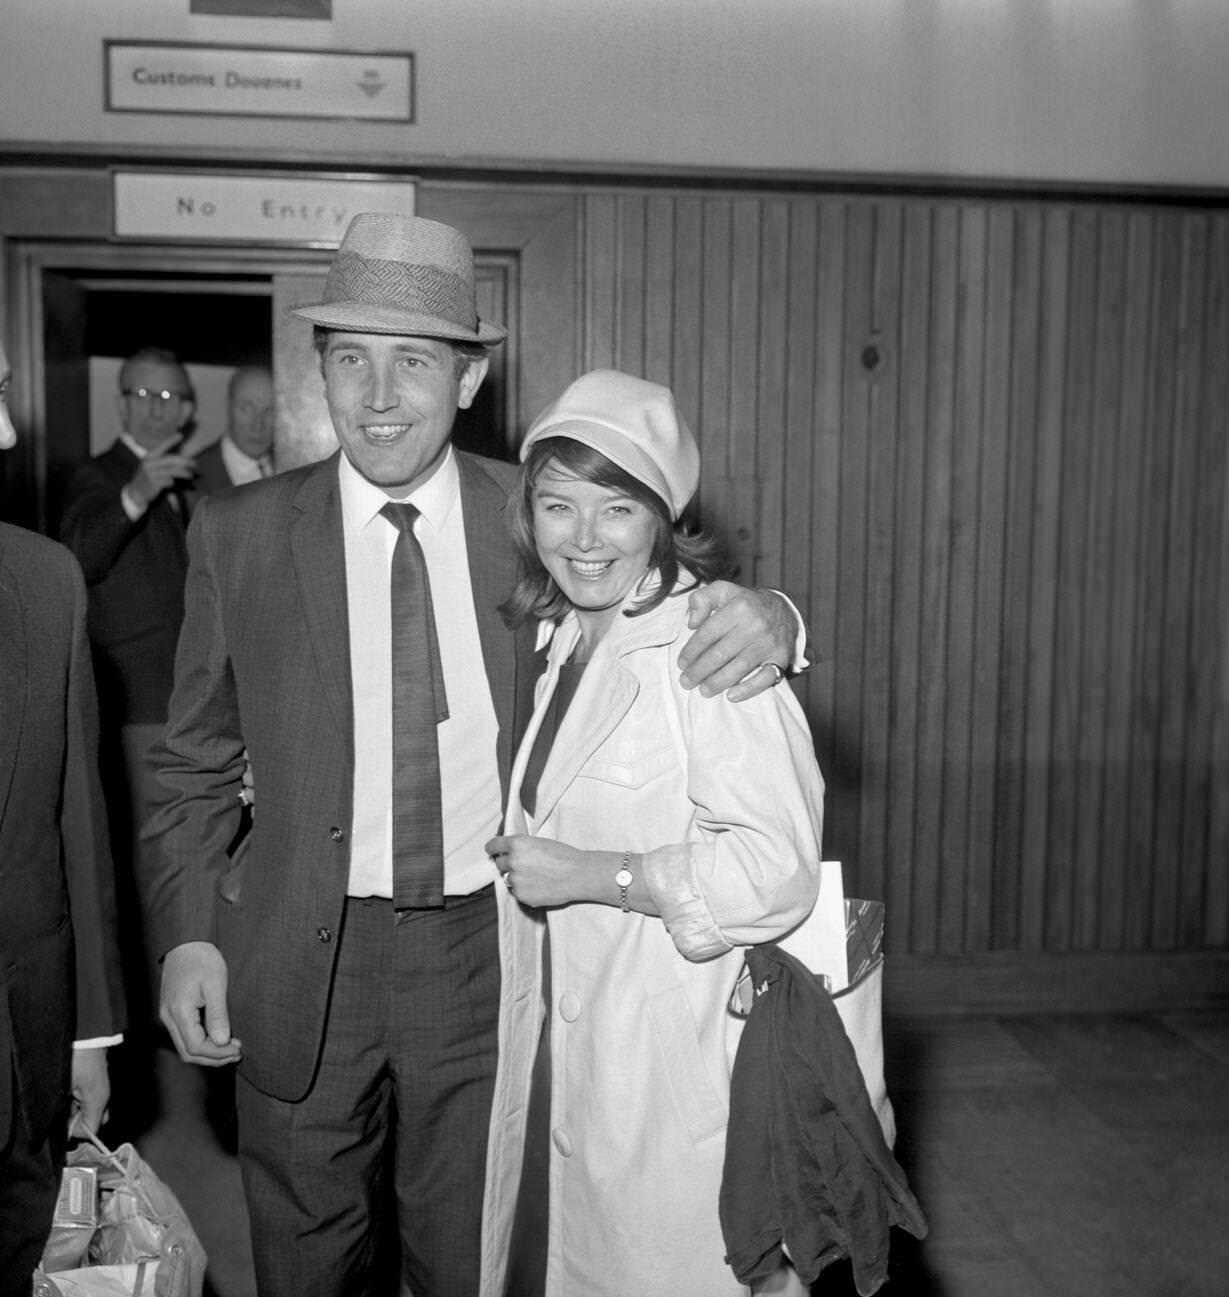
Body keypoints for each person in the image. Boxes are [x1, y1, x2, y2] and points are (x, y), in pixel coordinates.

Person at [140, 213, 801, 1297]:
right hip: (300, 952)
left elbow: (666, 597)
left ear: (469, 376)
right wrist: (186, 939)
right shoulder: (239, 534)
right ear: (320, 370)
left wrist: (776, 617)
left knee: (472, 1259)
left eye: (414, 361)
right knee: (304, 1263)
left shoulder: (533, 518)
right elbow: (194, 760)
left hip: (484, 956)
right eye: (350, 358)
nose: (380, 394)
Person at [484, 369, 823, 1296]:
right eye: (558, 505)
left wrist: (598, 875)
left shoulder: (710, 647)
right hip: (571, 1049)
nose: (583, 538)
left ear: (660, 520)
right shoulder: (564, 639)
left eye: (617, 510)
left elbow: (777, 871)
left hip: (674, 1070)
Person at [0, 338, 126, 1294]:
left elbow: (76, 826)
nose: (7, 433)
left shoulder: (45, 581)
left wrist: (87, 1032)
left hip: (24, 1041)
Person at [59, 346, 196, 1133]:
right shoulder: (97, 475)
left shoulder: (189, 479)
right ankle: (135, 1036)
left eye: (170, 395)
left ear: (184, 408)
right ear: (121, 401)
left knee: (179, 866)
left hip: (185, 712)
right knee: (145, 876)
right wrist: (136, 492)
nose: (156, 406)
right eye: (142, 392)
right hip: (135, 711)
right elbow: (74, 557)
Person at [193, 363, 275, 494]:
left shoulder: (294, 468)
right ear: (228, 406)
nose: (258, 425)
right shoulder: (194, 477)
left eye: (270, 411)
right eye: (246, 409)